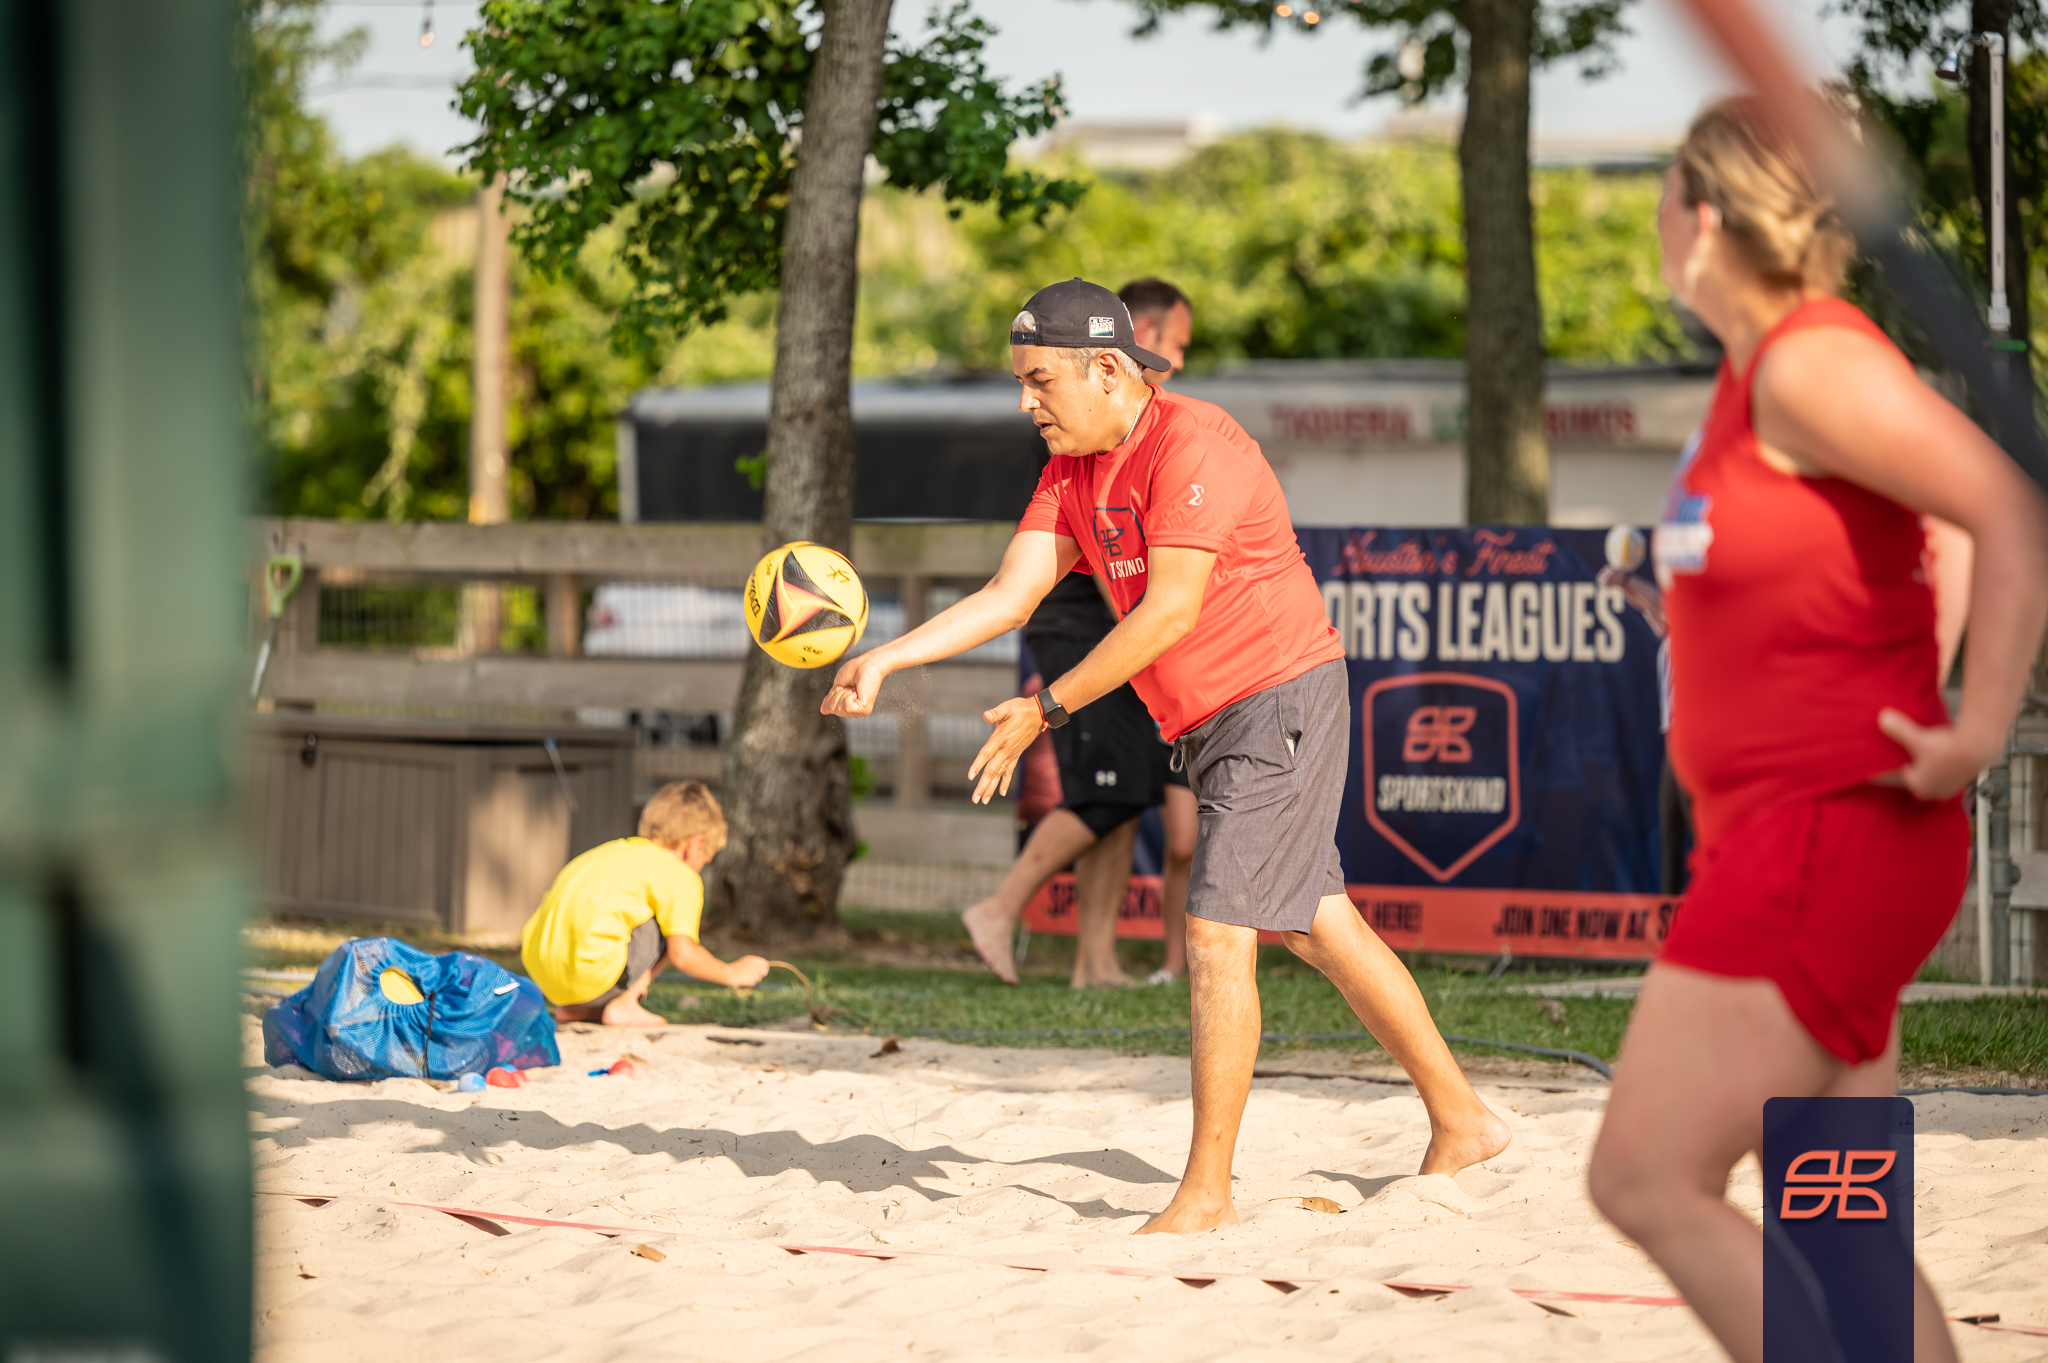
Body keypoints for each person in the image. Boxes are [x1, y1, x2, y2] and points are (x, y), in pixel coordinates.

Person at [824, 277, 1508, 1232]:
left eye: (1039, 382)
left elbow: (1171, 610)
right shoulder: (1070, 469)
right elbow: (1010, 594)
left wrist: (1045, 706)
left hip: (1276, 697)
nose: (1026, 403)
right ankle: (1464, 1118)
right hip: (1211, 717)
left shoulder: (1195, 443)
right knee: (1318, 924)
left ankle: (1205, 1194)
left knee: (1217, 934)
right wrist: (888, 656)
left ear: (1108, 368)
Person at [1584, 98, 2048, 1363]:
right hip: (1811, 837)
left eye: (1662, 186)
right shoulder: (1761, 370)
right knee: (1838, 1226)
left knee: (1641, 1178)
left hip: (1818, 839)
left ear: (1706, 211)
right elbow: (1927, 534)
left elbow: (2001, 507)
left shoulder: (1806, 359)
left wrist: (1968, 724)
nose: (1652, 214)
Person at [965, 277, 1200, 988]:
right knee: (1108, 793)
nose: (1180, 363)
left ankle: (1093, 962)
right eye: (1177, 345)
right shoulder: (1075, 432)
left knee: (1125, 797)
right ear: (1135, 341)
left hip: (1117, 628)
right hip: (1085, 624)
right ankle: (999, 907)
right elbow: (1088, 568)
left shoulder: (1169, 433)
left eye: (1036, 380)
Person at [520, 781, 770, 1025]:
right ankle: (626, 1004)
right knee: (671, 926)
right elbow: (683, 955)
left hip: (544, 977)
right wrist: (732, 973)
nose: (702, 867)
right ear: (695, 845)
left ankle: (574, 1009)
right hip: (594, 975)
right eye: (707, 859)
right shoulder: (680, 875)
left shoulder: (604, 853)